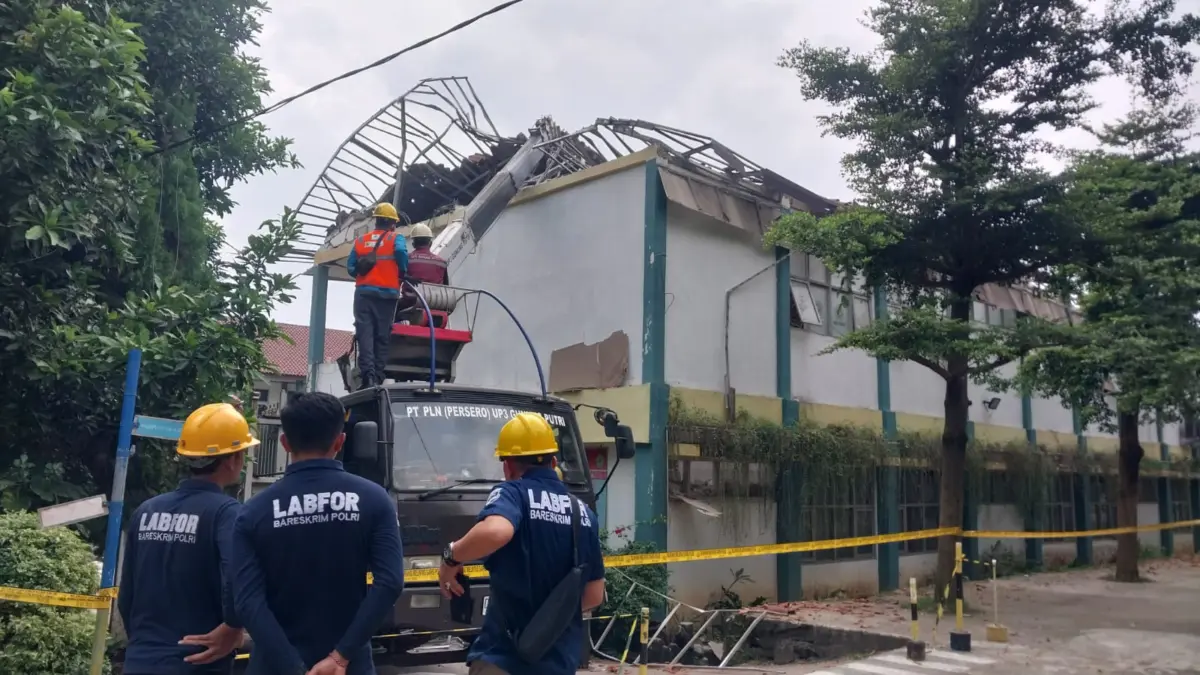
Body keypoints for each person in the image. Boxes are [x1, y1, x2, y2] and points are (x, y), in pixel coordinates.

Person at [231, 392, 404, 675]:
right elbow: (390, 582)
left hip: (273, 666)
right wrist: (341, 656)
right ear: (340, 441)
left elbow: (248, 602)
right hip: (349, 667)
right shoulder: (374, 500)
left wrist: (293, 667)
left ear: (285, 443)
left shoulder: (253, 511)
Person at [437, 413, 606, 675]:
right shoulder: (583, 513)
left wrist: (451, 558)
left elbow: (496, 531)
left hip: (505, 658)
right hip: (559, 662)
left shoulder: (512, 493)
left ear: (507, 467)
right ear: (553, 461)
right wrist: (546, 617)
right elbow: (594, 595)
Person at [117, 403, 253, 674]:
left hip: (140, 662)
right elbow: (236, 580)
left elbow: (126, 596)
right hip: (198, 663)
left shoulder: (147, 510)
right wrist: (233, 625)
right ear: (231, 459)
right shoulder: (227, 514)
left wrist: (146, 646)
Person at [347, 203, 409, 389]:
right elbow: (400, 252)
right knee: (382, 336)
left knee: (365, 334)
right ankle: (379, 376)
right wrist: (403, 270)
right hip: (388, 295)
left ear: (376, 221)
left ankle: (368, 376)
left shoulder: (360, 241)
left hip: (364, 295)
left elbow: (351, 268)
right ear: (392, 223)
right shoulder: (395, 238)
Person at [396, 222, 449, 324]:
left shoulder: (407, 259)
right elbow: (446, 287)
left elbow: (399, 276)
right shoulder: (442, 262)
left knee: (392, 308)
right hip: (436, 304)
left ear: (413, 244)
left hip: (410, 302)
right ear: (430, 243)